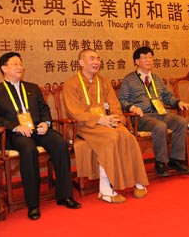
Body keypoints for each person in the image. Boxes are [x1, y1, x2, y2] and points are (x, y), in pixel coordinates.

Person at [0, 52, 80, 220]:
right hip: (14, 134)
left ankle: (65, 195)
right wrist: (16, 127)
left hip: (38, 129)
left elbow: (44, 109)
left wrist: (46, 123)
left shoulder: (32, 88)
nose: (20, 67)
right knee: (28, 150)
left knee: (59, 143)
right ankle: (33, 203)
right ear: (4, 68)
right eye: (15, 64)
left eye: (21, 64)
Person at [62, 49, 149, 203]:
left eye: (98, 59)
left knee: (128, 136)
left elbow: (114, 104)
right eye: (91, 59)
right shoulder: (71, 84)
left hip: (108, 122)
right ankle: (106, 189)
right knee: (111, 138)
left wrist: (115, 119)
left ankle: (138, 182)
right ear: (81, 63)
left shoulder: (104, 81)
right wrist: (98, 120)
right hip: (86, 125)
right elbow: (74, 112)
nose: (96, 62)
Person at [118, 46, 189, 177]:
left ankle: (176, 159)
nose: (148, 60)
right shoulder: (129, 79)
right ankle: (160, 163)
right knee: (160, 126)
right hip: (142, 116)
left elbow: (167, 97)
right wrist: (132, 107)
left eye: (150, 56)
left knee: (181, 122)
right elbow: (122, 100)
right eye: (144, 57)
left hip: (161, 113)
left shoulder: (156, 78)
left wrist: (178, 102)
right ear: (136, 61)